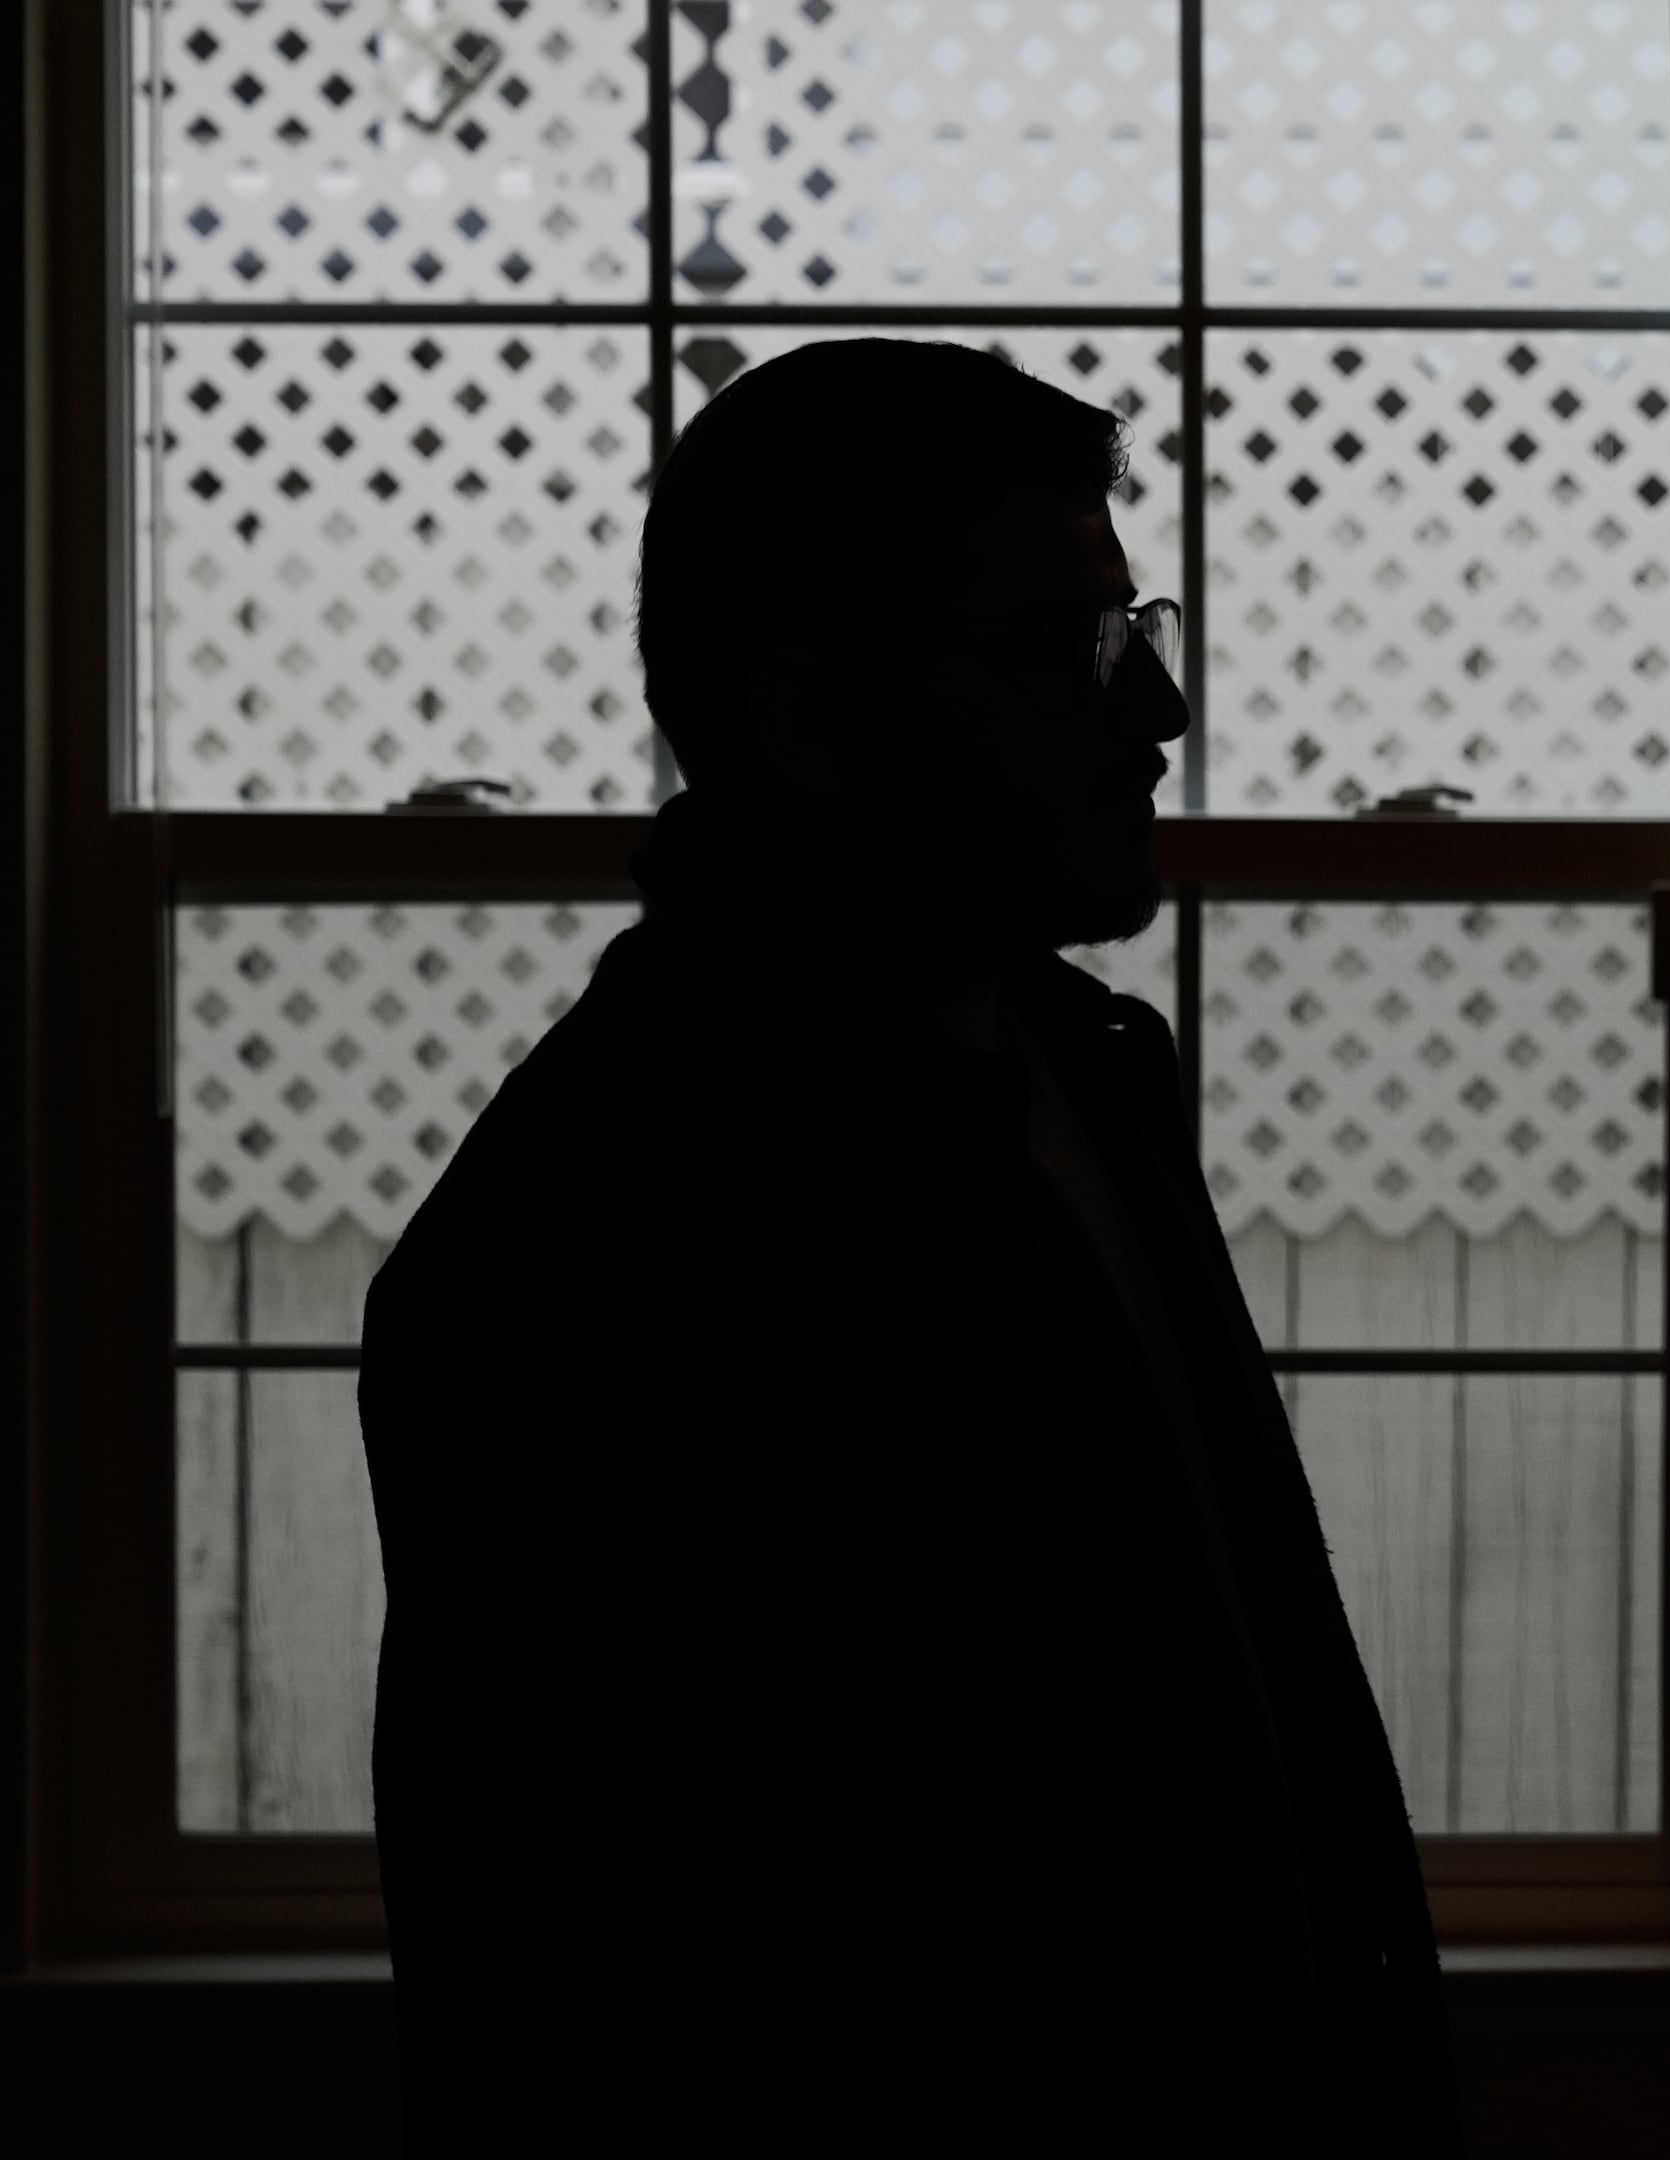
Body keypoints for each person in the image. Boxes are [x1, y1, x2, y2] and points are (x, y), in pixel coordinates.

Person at [361, 339, 1455, 2153]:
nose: (1160, 709)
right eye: (1065, 648)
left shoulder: (1087, 1084)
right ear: (808, 717)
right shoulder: (589, 1253)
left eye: (1139, 626)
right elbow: (596, 1982)